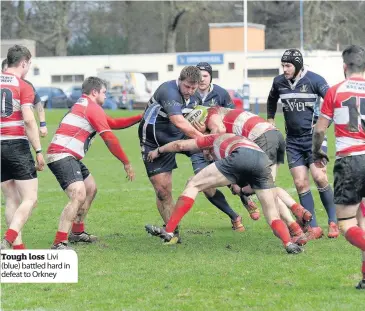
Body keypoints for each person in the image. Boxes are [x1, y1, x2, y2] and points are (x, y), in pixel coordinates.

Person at [145, 133, 303, 254]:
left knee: (193, 183)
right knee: (272, 216)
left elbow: (180, 145)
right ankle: (288, 243)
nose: (208, 157)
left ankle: (170, 229)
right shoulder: (239, 138)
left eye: (207, 154)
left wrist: (159, 150)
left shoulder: (213, 138)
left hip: (240, 156)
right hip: (262, 161)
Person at [47, 77, 141, 249]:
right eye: (104, 92)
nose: (106, 96)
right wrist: (126, 163)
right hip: (62, 155)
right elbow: (109, 138)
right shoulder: (91, 107)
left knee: (90, 188)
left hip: (69, 156)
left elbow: (112, 123)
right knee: (78, 194)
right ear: (95, 92)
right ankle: (59, 242)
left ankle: (77, 232)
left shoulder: (86, 105)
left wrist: (140, 117)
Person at [203, 106, 313, 244]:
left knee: (264, 189)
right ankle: (297, 219)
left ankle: (296, 220)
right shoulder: (227, 113)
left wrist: (207, 146)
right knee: (269, 187)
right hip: (275, 136)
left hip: (262, 139)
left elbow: (219, 131)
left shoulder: (211, 114)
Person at [267, 48, 339, 240]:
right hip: (292, 141)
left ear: (298, 65)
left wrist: (324, 123)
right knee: (300, 183)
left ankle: (333, 221)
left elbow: (332, 101)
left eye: (288, 65)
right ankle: (313, 227)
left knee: (320, 177)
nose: (284, 69)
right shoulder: (278, 82)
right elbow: (272, 99)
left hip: (314, 139)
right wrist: (270, 118)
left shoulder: (315, 80)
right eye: (283, 65)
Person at [312, 45, 365, 289]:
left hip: (350, 161)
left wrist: (317, 153)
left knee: (345, 224)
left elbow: (320, 129)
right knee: (363, 217)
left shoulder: (335, 91)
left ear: (345, 67)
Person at [138, 66, 206, 240]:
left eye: (194, 87)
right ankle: (172, 233)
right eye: (187, 87)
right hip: (154, 142)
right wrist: (205, 140)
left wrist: (203, 129)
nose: (190, 91)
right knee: (163, 191)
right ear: (180, 80)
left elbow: (194, 119)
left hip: (179, 136)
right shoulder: (168, 91)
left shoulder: (195, 95)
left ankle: (241, 190)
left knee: (213, 159)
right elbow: (179, 121)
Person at [191, 62, 254, 232]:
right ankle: (234, 216)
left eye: (205, 75)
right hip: (197, 145)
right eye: (198, 76)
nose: (201, 79)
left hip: (219, 143)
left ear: (211, 76)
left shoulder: (220, 93)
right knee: (204, 184)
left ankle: (245, 197)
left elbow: (231, 117)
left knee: (231, 176)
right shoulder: (189, 93)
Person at [1, 45, 45, 250]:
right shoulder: (23, 86)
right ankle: (9, 240)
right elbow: (28, 120)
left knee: (11, 198)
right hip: (16, 145)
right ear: (23, 63)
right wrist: (38, 151)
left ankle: (18, 249)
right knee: (30, 198)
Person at [2, 58, 47, 137]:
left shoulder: (27, 85)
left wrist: (43, 124)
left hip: (23, 130)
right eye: (6, 70)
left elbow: (38, 104)